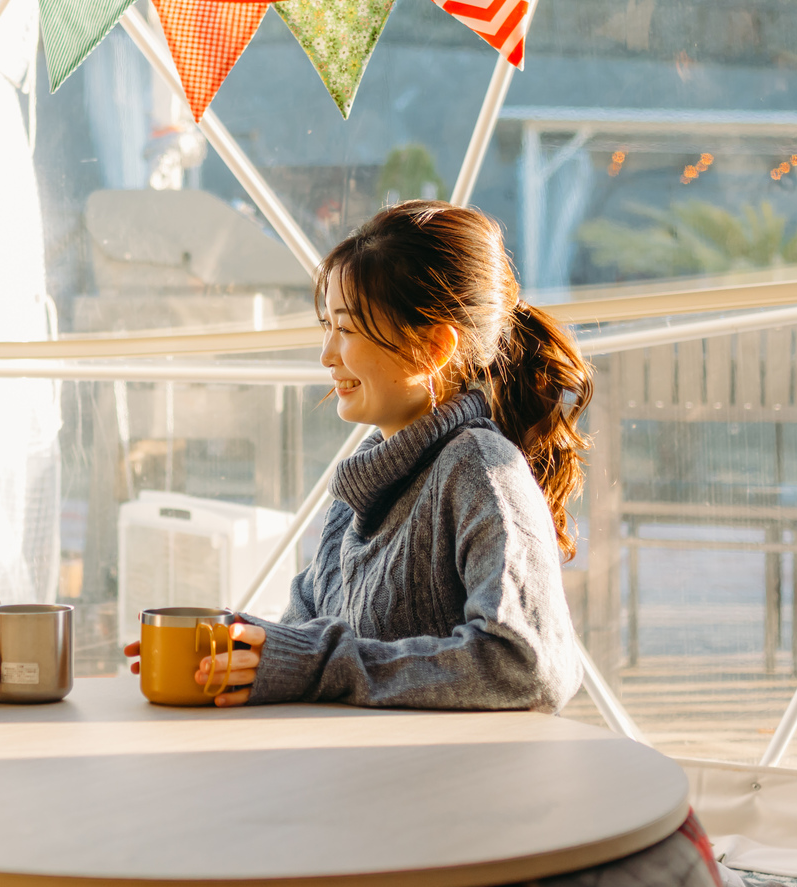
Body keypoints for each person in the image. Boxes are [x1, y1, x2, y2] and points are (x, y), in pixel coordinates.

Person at [128, 200, 589, 710]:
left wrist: (319, 664)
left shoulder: (479, 466)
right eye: (327, 326)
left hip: (447, 785)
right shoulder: (359, 489)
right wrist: (229, 648)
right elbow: (305, 645)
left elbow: (527, 665)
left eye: (345, 329)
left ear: (432, 347)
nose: (326, 354)